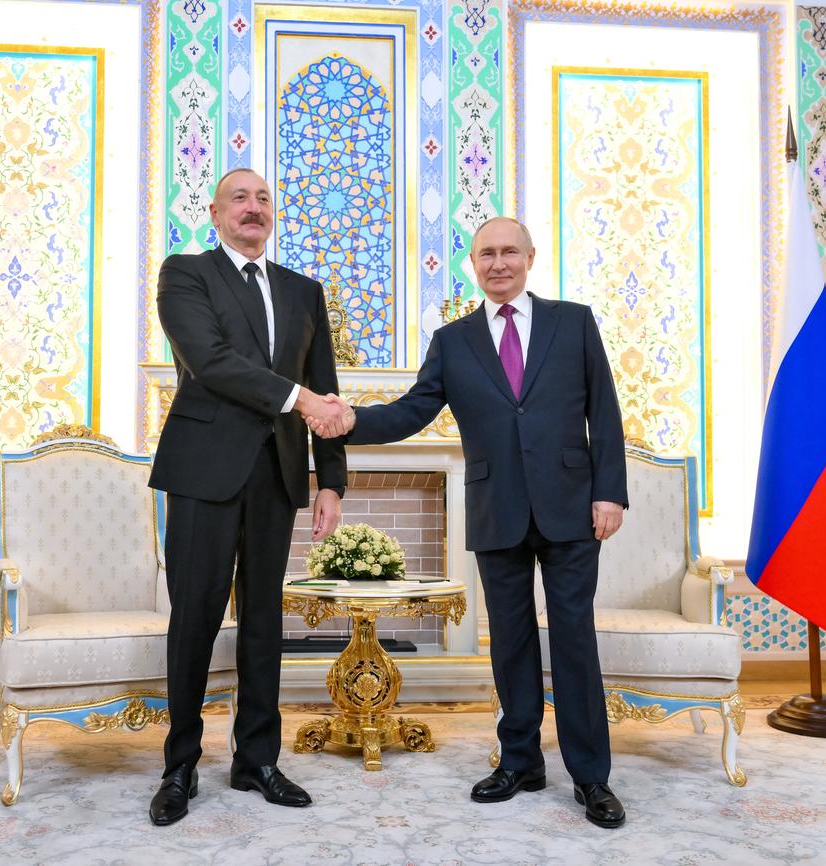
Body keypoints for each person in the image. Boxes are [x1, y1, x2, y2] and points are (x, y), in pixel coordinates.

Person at [310, 216, 629, 829]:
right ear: (474, 264)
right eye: (487, 254)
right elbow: (412, 412)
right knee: (509, 643)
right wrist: (350, 421)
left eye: (510, 251)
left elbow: (604, 413)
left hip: (571, 506)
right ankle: (520, 762)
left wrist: (609, 493)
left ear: (530, 257)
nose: (498, 263)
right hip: (497, 508)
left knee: (573, 642)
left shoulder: (575, 322)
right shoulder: (453, 341)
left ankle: (592, 778)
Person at [147, 168, 350, 826]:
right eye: (240, 198)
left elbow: (326, 384)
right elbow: (211, 360)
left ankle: (257, 759)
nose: (253, 208)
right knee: (196, 620)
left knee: (265, 624)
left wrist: (332, 481)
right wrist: (299, 399)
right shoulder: (185, 274)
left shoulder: (303, 292)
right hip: (203, 471)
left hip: (277, 476)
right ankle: (180, 765)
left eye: (264, 199)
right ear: (215, 213)